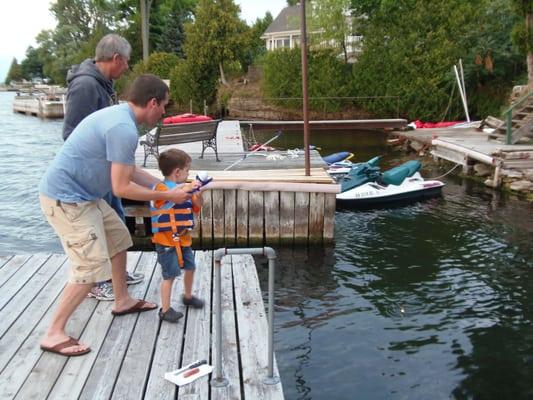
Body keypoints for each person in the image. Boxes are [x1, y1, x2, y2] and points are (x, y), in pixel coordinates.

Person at [39, 74, 192, 356]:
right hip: (67, 200)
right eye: (164, 106)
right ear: (152, 102)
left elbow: (128, 170)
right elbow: (121, 187)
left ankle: (121, 300)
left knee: (119, 239)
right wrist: (168, 196)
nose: (164, 112)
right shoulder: (124, 129)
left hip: (85, 196)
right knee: (89, 268)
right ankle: (54, 332)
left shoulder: (121, 117)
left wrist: (165, 185)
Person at [62, 33, 142, 300]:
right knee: (93, 230)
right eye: (127, 62)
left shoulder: (104, 83)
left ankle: (115, 276)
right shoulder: (86, 85)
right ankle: (97, 282)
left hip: (107, 171)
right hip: (92, 175)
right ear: (116, 58)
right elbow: (72, 134)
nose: (128, 67)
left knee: (116, 225)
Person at [151, 149, 205, 323]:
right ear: (177, 172)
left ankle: (188, 296)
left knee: (191, 267)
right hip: (166, 242)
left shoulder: (186, 190)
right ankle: (165, 310)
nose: (188, 174)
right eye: (187, 170)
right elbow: (171, 197)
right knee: (170, 275)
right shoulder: (160, 189)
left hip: (183, 239)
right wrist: (188, 187)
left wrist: (198, 193)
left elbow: (197, 206)